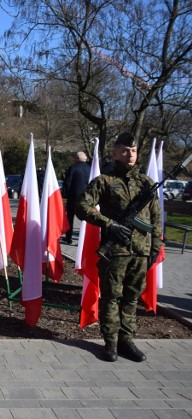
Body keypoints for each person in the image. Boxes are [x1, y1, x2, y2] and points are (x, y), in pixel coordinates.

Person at [76, 132, 163, 363]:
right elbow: (82, 206)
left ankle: (127, 340)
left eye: (133, 151)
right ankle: (111, 343)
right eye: (125, 150)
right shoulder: (104, 181)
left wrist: (156, 246)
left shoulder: (147, 183)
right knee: (112, 297)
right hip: (115, 251)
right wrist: (110, 224)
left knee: (132, 297)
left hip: (141, 251)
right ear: (115, 152)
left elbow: (155, 218)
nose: (130, 155)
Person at [62, 151, 90, 244]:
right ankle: (83, 239)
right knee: (85, 219)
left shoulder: (73, 168)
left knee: (70, 218)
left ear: (78, 158)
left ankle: (69, 238)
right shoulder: (90, 168)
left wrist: (65, 194)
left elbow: (68, 182)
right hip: (87, 198)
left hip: (73, 197)